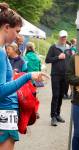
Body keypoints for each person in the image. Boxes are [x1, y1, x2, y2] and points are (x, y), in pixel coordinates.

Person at [0, 3, 46, 149]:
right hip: (5, 113)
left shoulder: (2, 50)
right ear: (6, 27)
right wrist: (28, 76)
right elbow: (0, 90)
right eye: (17, 31)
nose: (18, 36)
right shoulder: (1, 52)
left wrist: (13, 76)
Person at [45, 30, 70, 126]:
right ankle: (53, 117)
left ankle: (58, 114)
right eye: (62, 37)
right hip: (56, 75)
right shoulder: (53, 47)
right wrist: (58, 57)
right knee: (55, 95)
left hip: (65, 75)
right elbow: (47, 60)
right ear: (59, 37)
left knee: (61, 96)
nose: (63, 39)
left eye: (65, 37)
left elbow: (70, 61)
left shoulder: (68, 48)